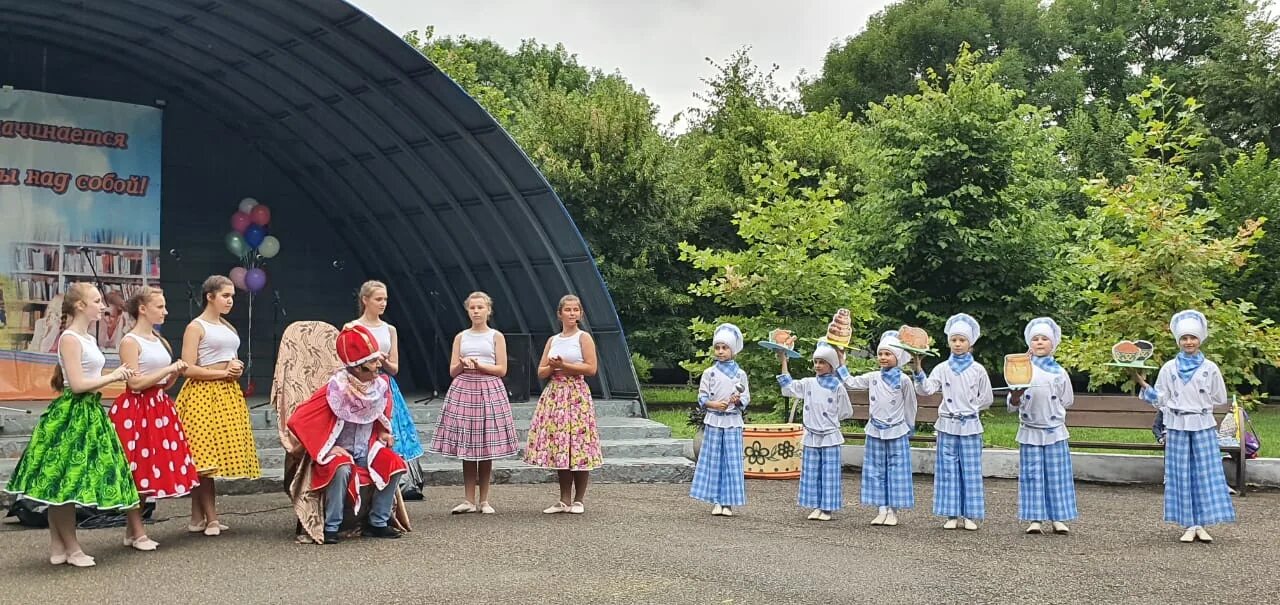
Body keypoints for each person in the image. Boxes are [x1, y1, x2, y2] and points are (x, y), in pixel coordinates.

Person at [4, 282, 138, 567]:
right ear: (80, 306)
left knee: (66, 484)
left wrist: (112, 376)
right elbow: (77, 385)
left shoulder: (87, 338)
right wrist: (115, 376)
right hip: (73, 414)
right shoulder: (70, 338)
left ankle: (58, 545)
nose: (102, 306)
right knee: (64, 483)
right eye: (97, 301)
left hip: (89, 412)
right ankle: (72, 547)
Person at [286, 325, 409, 544]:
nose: (379, 364)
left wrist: (383, 432)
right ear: (358, 367)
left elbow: (382, 414)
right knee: (341, 469)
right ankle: (332, 526)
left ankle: (377, 522)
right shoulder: (335, 389)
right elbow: (298, 420)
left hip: (367, 447)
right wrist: (327, 446)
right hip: (338, 450)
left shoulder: (379, 386)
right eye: (373, 361)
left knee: (395, 463)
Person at [109, 286, 200, 551]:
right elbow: (135, 382)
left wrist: (173, 374)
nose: (165, 311)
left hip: (158, 406)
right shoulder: (130, 341)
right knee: (136, 469)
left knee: (150, 468)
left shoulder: (160, 341)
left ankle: (132, 530)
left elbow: (162, 381)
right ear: (143, 309)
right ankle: (137, 532)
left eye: (164, 306)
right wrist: (169, 368)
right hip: (137, 409)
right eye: (159, 307)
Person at [1134, 310, 1236, 543]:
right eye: (1184, 338)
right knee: (1180, 473)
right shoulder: (1169, 368)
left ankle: (1202, 523)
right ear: (1178, 341)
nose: (1188, 342)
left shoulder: (1209, 367)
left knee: (1205, 473)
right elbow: (1161, 398)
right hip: (1178, 425)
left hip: (1202, 424)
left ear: (1200, 339)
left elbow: (1220, 397)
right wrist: (1143, 385)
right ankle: (1189, 523)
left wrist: (1199, 401)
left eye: (1192, 337)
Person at [173, 275, 260, 536]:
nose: (230, 301)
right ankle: (211, 518)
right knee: (203, 457)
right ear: (210, 296)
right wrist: (222, 373)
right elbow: (187, 367)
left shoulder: (228, 328)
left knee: (210, 457)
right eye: (225, 295)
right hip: (202, 395)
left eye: (232, 296)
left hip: (226, 394)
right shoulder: (196, 327)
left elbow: (228, 358)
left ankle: (197, 517)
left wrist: (235, 368)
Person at [429, 291, 519, 514]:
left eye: (481, 307)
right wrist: (463, 364)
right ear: (467, 311)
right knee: (467, 446)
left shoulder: (496, 336)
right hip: (464, 388)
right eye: (473, 308)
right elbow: (452, 370)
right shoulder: (461, 337)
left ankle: (485, 499)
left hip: (488, 388)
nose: (477, 311)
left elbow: (501, 369)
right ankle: (468, 499)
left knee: (485, 446)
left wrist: (480, 366)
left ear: (488, 310)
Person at [913, 313, 993, 531]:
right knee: (947, 469)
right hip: (947, 424)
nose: (957, 344)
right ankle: (951, 514)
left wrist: (970, 409)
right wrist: (918, 370)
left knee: (970, 469)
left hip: (969, 425)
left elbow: (987, 398)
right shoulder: (942, 368)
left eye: (962, 340)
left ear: (970, 343)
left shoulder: (977, 369)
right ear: (949, 341)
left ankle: (969, 514)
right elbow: (926, 390)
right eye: (954, 340)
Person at [524, 295, 602, 515]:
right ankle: (563, 499)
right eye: (567, 310)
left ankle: (579, 499)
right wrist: (553, 366)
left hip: (576, 393)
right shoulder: (553, 340)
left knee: (579, 444)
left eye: (575, 310)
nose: (571, 314)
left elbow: (591, 368)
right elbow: (540, 371)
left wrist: (565, 365)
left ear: (580, 313)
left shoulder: (583, 337)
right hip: (556, 393)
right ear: (560, 314)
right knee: (561, 444)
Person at [349, 280, 425, 500]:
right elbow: (347, 363)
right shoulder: (353, 327)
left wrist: (381, 361)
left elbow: (395, 366)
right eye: (378, 299)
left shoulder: (389, 329)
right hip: (361, 385)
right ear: (365, 300)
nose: (383, 304)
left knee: (392, 432)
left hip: (385, 384)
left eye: (385, 300)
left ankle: (395, 483)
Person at [839, 331, 918, 526]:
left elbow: (910, 404)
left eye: (887, 354)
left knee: (896, 470)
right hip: (874, 430)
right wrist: (841, 360)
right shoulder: (873, 377)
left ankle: (893, 510)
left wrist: (909, 425)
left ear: (897, 357)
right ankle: (881, 508)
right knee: (875, 469)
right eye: (880, 354)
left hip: (897, 430)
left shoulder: (904, 380)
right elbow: (851, 382)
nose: (883, 357)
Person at [1009, 317, 1077, 535]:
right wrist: (1017, 395)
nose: (1039, 342)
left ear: (1053, 343)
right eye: (1035, 339)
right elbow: (1011, 403)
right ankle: (1035, 519)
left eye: (1044, 339)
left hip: (1054, 431)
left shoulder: (1060, 372)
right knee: (1032, 474)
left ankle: (1058, 518)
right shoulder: (1020, 369)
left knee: (1057, 475)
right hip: (1030, 430)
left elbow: (1068, 400)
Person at [779, 339, 852, 521]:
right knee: (812, 471)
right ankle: (816, 505)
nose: (818, 366)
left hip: (829, 435)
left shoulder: (838, 386)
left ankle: (827, 507)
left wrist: (830, 420)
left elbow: (845, 411)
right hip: (811, 434)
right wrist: (784, 361)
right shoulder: (808, 383)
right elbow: (789, 387)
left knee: (829, 473)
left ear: (831, 365)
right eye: (816, 362)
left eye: (822, 362)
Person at [690, 323, 750, 516]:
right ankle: (716, 499)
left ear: (732, 350)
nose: (720, 351)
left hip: (732, 421)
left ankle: (728, 502)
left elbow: (746, 397)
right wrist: (714, 404)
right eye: (717, 348)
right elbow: (702, 397)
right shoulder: (710, 373)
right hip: (714, 420)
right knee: (714, 460)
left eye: (725, 348)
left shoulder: (741, 374)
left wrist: (738, 400)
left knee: (731, 461)